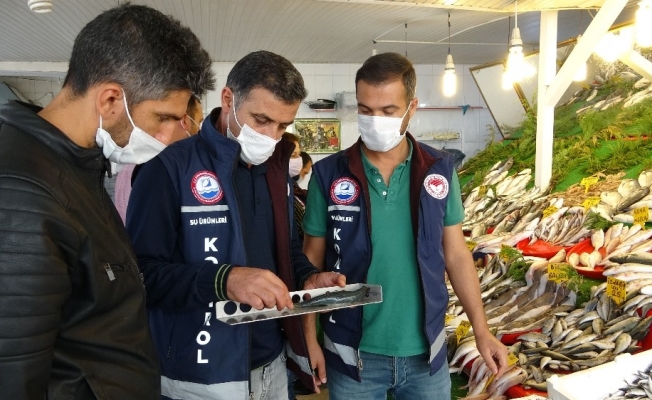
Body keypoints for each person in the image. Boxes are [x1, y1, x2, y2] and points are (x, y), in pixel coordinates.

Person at [0, 4, 214, 399]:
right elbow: (13, 374)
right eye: (163, 117)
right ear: (111, 99)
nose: (169, 136)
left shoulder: (75, 163)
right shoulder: (21, 190)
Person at [126, 50, 345, 400]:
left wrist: (307, 277)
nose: (271, 136)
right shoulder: (167, 168)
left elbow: (285, 249)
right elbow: (139, 275)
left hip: (272, 365)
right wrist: (223, 280)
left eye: (282, 126)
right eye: (261, 120)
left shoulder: (276, 171)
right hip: (199, 374)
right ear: (228, 99)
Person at [301, 52, 508, 400]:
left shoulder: (439, 169)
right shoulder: (329, 173)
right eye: (365, 110)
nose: (375, 121)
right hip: (353, 353)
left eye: (388, 111)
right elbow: (311, 261)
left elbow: (456, 254)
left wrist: (481, 330)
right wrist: (309, 339)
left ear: (411, 108)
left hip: (426, 355)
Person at [114, 95, 204, 223]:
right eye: (199, 122)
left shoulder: (135, 159)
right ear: (185, 120)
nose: (200, 130)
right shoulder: (160, 167)